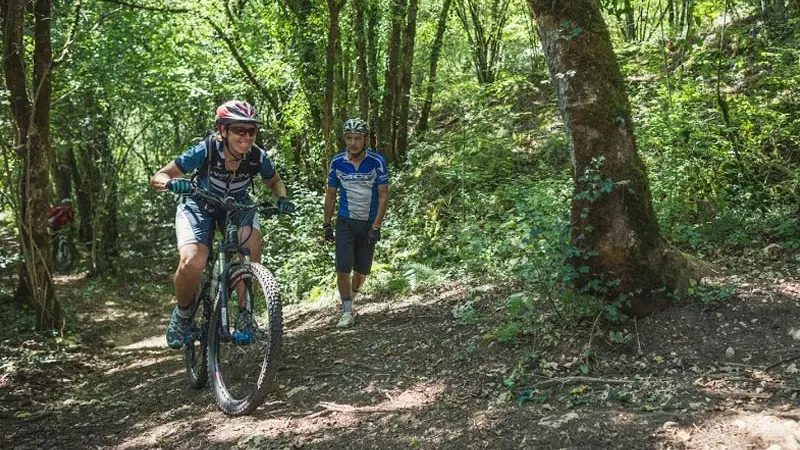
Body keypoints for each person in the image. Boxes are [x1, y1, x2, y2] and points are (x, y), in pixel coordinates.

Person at [150, 100, 296, 349]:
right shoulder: (205, 150)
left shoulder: (257, 156)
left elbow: (274, 181)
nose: (247, 137)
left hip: (238, 204)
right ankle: (183, 315)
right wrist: (172, 183)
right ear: (223, 130)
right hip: (199, 203)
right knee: (193, 260)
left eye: (252, 131)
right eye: (240, 130)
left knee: (250, 248)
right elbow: (158, 177)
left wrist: (281, 197)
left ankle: (245, 316)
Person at [323, 118, 389, 328]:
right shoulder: (337, 162)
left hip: (368, 222)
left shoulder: (377, 161)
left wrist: (377, 226)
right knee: (343, 266)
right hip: (345, 222)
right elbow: (331, 195)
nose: (353, 143)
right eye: (349, 138)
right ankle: (346, 309)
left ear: (365, 140)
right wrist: (327, 224)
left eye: (358, 138)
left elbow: (383, 196)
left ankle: (352, 300)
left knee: (362, 270)